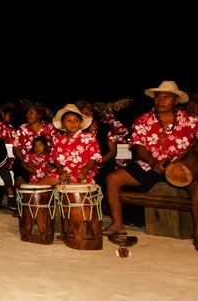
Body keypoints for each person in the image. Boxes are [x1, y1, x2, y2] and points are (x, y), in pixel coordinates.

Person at [102, 81, 198, 251]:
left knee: (197, 188)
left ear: (176, 101)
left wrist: (186, 161)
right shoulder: (143, 120)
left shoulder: (191, 121)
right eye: (158, 97)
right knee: (113, 178)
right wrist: (152, 161)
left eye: (166, 97)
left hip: (180, 168)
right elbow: (139, 146)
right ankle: (118, 224)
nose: (160, 101)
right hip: (150, 165)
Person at [36, 104, 102, 186]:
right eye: (69, 121)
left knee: (75, 192)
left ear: (80, 122)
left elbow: (93, 159)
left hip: (82, 173)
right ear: (63, 123)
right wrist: (61, 172)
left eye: (76, 120)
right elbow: (56, 160)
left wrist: (84, 172)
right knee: (36, 188)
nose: (73, 123)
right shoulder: (57, 139)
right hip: (62, 173)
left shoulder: (89, 137)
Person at [12, 100, 58, 188]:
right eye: (27, 112)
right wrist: (25, 161)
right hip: (27, 161)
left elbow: (56, 145)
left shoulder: (49, 127)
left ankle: (40, 190)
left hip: (46, 160)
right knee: (18, 164)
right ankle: (23, 191)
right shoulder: (23, 128)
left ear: (39, 115)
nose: (28, 115)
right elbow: (16, 148)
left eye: (31, 112)